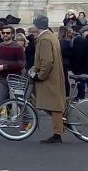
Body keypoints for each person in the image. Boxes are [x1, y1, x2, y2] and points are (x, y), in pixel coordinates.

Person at [27, 14, 67, 143]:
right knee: (50, 103)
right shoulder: (51, 36)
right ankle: (61, 125)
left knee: (53, 105)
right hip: (55, 75)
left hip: (49, 78)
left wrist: (40, 75)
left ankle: (57, 132)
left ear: (37, 25)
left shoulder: (44, 39)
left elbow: (47, 61)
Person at [0, 24, 26, 133]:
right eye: (3, 33)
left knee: (19, 101)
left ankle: (27, 122)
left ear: (12, 35)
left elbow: (21, 64)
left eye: (8, 33)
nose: (5, 35)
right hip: (2, 77)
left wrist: (5, 66)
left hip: (15, 78)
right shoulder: (0, 45)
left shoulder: (17, 47)